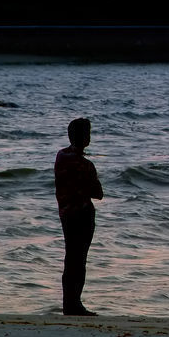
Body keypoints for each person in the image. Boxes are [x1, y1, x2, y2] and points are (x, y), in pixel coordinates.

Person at [54, 117, 103, 316]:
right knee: (79, 260)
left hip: (66, 214)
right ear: (85, 137)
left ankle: (69, 304)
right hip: (82, 215)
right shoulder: (85, 165)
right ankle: (75, 305)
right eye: (87, 133)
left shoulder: (61, 156)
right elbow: (98, 193)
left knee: (70, 259)